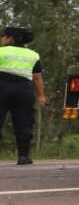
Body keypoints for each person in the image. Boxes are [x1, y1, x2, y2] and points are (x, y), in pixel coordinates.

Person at [0, 26, 45, 165]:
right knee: (24, 123)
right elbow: (37, 78)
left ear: (10, 38)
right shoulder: (33, 55)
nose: (1, 39)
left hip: (2, 88)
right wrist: (41, 96)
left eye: (3, 36)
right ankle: (23, 156)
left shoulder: (1, 51)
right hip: (24, 91)